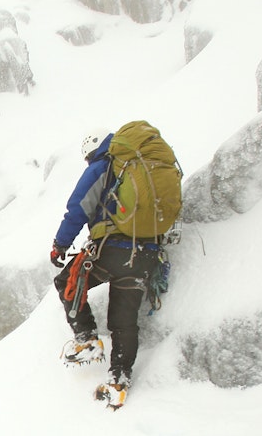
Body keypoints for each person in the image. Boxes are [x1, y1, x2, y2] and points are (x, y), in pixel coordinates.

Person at [51, 124, 178, 410]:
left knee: (67, 280)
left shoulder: (104, 164)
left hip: (112, 249)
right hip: (146, 254)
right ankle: (119, 379)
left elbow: (79, 207)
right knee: (124, 321)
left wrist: (60, 244)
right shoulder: (146, 166)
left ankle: (86, 338)